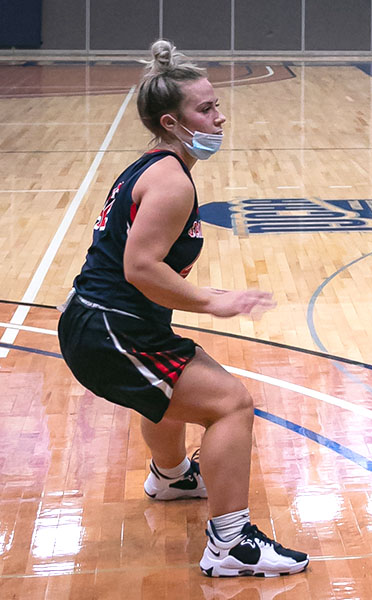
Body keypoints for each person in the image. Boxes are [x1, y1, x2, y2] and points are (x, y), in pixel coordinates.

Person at [56, 40, 309, 578]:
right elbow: (140, 268)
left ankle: (171, 477)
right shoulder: (171, 181)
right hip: (110, 328)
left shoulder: (152, 165)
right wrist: (213, 301)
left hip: (102, 321)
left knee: (164, 394)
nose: (219, 116)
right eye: (206, 109)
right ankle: (230, 544)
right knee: (232, 405)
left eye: (216, 104)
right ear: (172, 122)